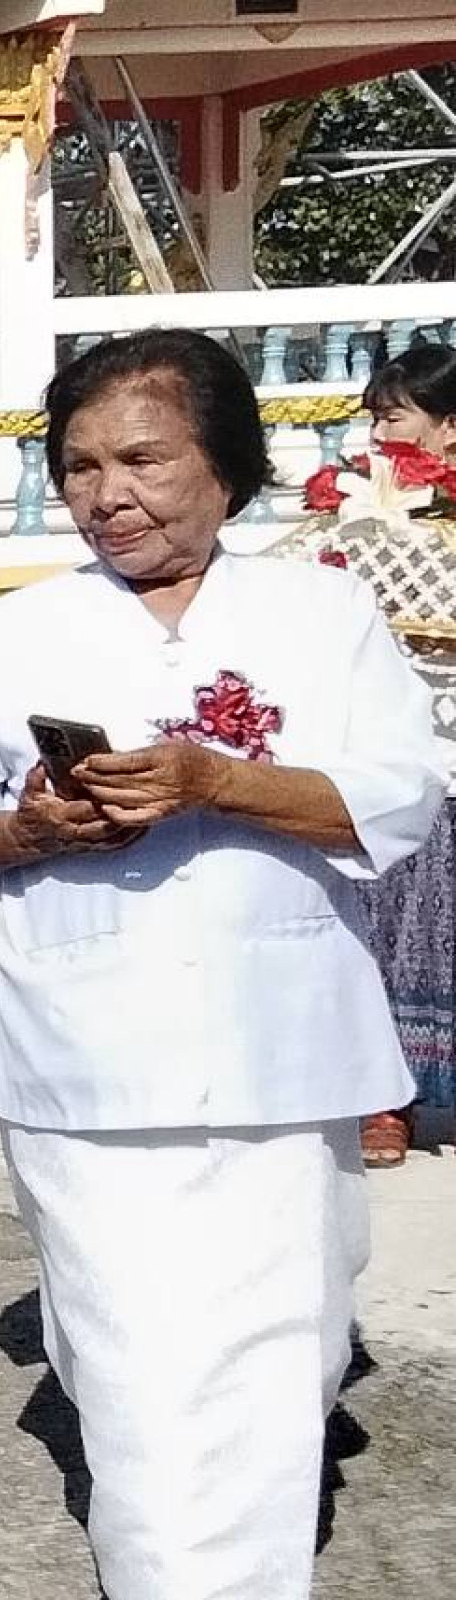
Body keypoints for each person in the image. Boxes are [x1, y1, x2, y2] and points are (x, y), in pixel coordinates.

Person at [0, 328, 439, 1600]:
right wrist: (25, 827)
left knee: (280, 1355)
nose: (106, 493)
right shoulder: (18, 631)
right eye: (79, 466)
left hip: (280, 1045)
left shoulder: (324, 609)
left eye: (141, 457)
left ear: (226, 467)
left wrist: (222, 783)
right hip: (86, 1055)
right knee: (134, 1363)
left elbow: (401, 794)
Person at [357, 343, 456, 1168]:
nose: (377, 434)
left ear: (447, 427)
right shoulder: (363, 520)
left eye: (392, 418)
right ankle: (385, 1099)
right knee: (394, 925)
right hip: (410, 750)